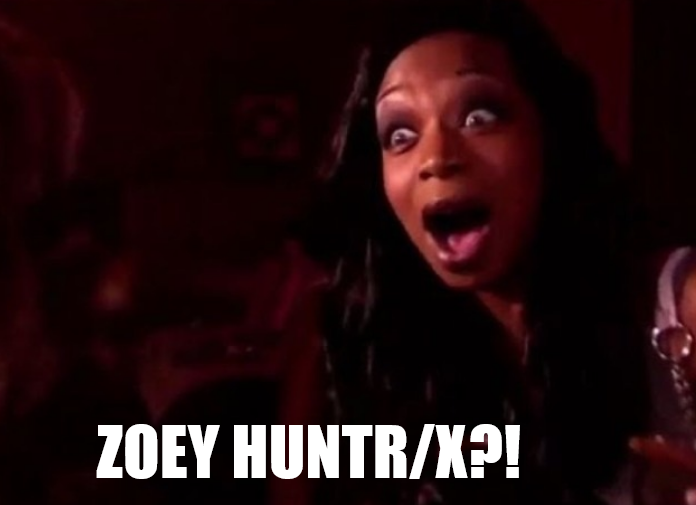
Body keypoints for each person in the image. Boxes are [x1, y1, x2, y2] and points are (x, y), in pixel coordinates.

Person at [289, 0, 696, 504]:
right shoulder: (395, 349)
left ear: (550, 133)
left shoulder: (679, 308)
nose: (436, 158)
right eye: (401, 134)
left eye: (479, 115)